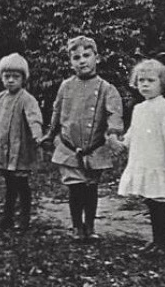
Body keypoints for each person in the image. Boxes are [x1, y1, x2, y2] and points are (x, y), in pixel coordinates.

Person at [46, 36, 125, 242]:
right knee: (75, 187)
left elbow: (114, 115)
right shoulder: (66, 86)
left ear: (96, 58)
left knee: (90, 188)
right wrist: (50, 133)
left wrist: (114, 135)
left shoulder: (107, 88)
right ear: (70, 62)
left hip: (94, 148)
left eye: (86, 56)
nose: (82, 61)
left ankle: (89, 225)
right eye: (76, 57)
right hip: (69, 147)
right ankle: (76, 226)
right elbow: (57, 111)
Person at [114, 59, 165, 258]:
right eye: (141, 81)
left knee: (160, 203)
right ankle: (155, 240)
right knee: (150, 201)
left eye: (151, 80)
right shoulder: (139, 109)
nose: (145, 85)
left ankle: (164, 243)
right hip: (144, 161)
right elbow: (134, 133)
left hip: (160, 163)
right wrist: (122, 143)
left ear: (162, 83)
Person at [0, 54, 46, 232]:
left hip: (19, 150)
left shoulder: (27, 99)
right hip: (3, 149)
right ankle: (8, 216)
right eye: (7, 76)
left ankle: (25, 217)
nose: (11, 80)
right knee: (9, 184)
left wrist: (38, 137)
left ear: (23, 79)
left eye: (15, 77)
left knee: (21, 184)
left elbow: (34, 119)